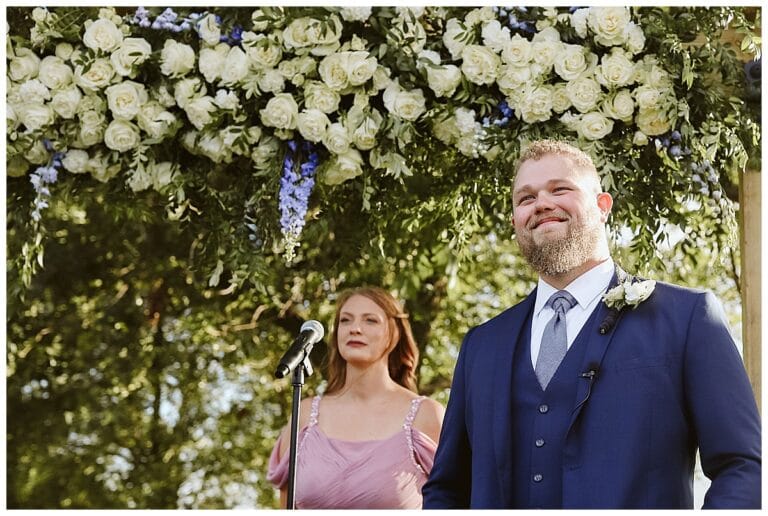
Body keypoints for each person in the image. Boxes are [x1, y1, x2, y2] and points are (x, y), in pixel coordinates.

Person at [422, 139, 761, 509]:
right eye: (526, 198)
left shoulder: (687, 318)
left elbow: (743, 465)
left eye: (560, 189)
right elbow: (448, 489)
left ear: (602, 207)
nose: (542, 204)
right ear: (516, 220)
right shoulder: (482, 345)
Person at [267, 286, 444, 509]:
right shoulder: (304, 414)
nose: (355, 329)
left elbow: (458, 499)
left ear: (395, 333)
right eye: (345, 320)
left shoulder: (426, 415)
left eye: (370, 320)